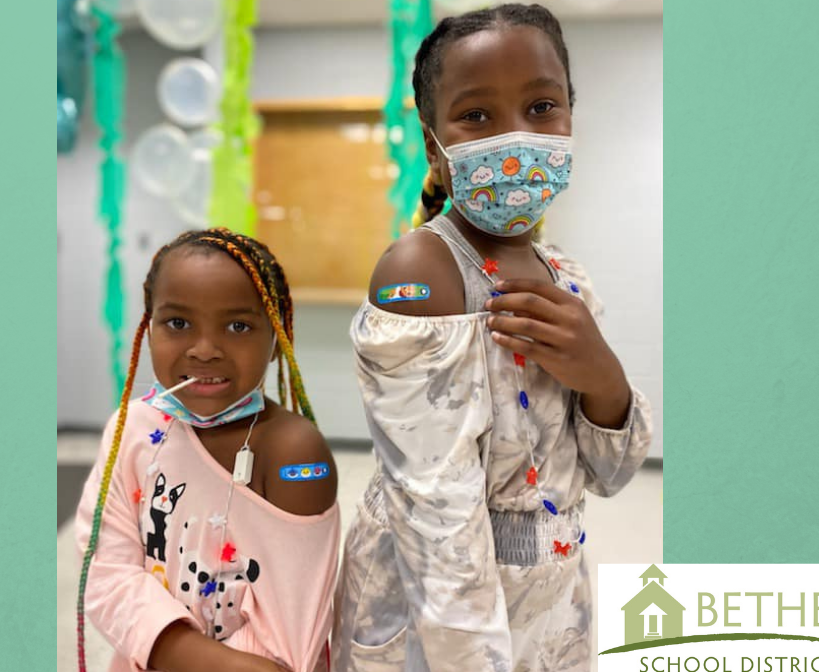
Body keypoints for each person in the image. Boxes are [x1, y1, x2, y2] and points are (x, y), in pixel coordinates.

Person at [332, 5, 653, 671]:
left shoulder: (566, 276)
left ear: (570, 115)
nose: (516, 136)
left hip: (553, 615)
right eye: (477, 116)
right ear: (433, 146)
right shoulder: (422, 271)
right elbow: (437, 523)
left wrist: (604, 377)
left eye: (541, 106)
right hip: (437, 634)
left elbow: (612, 473)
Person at [75, 228, 339, 672]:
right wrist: (177, 650)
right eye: (178, 324)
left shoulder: (295, 453)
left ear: (276, 338)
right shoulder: (133, 429)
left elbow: (290, 639)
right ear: (149, 326)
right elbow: (105, 573)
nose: (204, 350)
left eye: (238, 326)